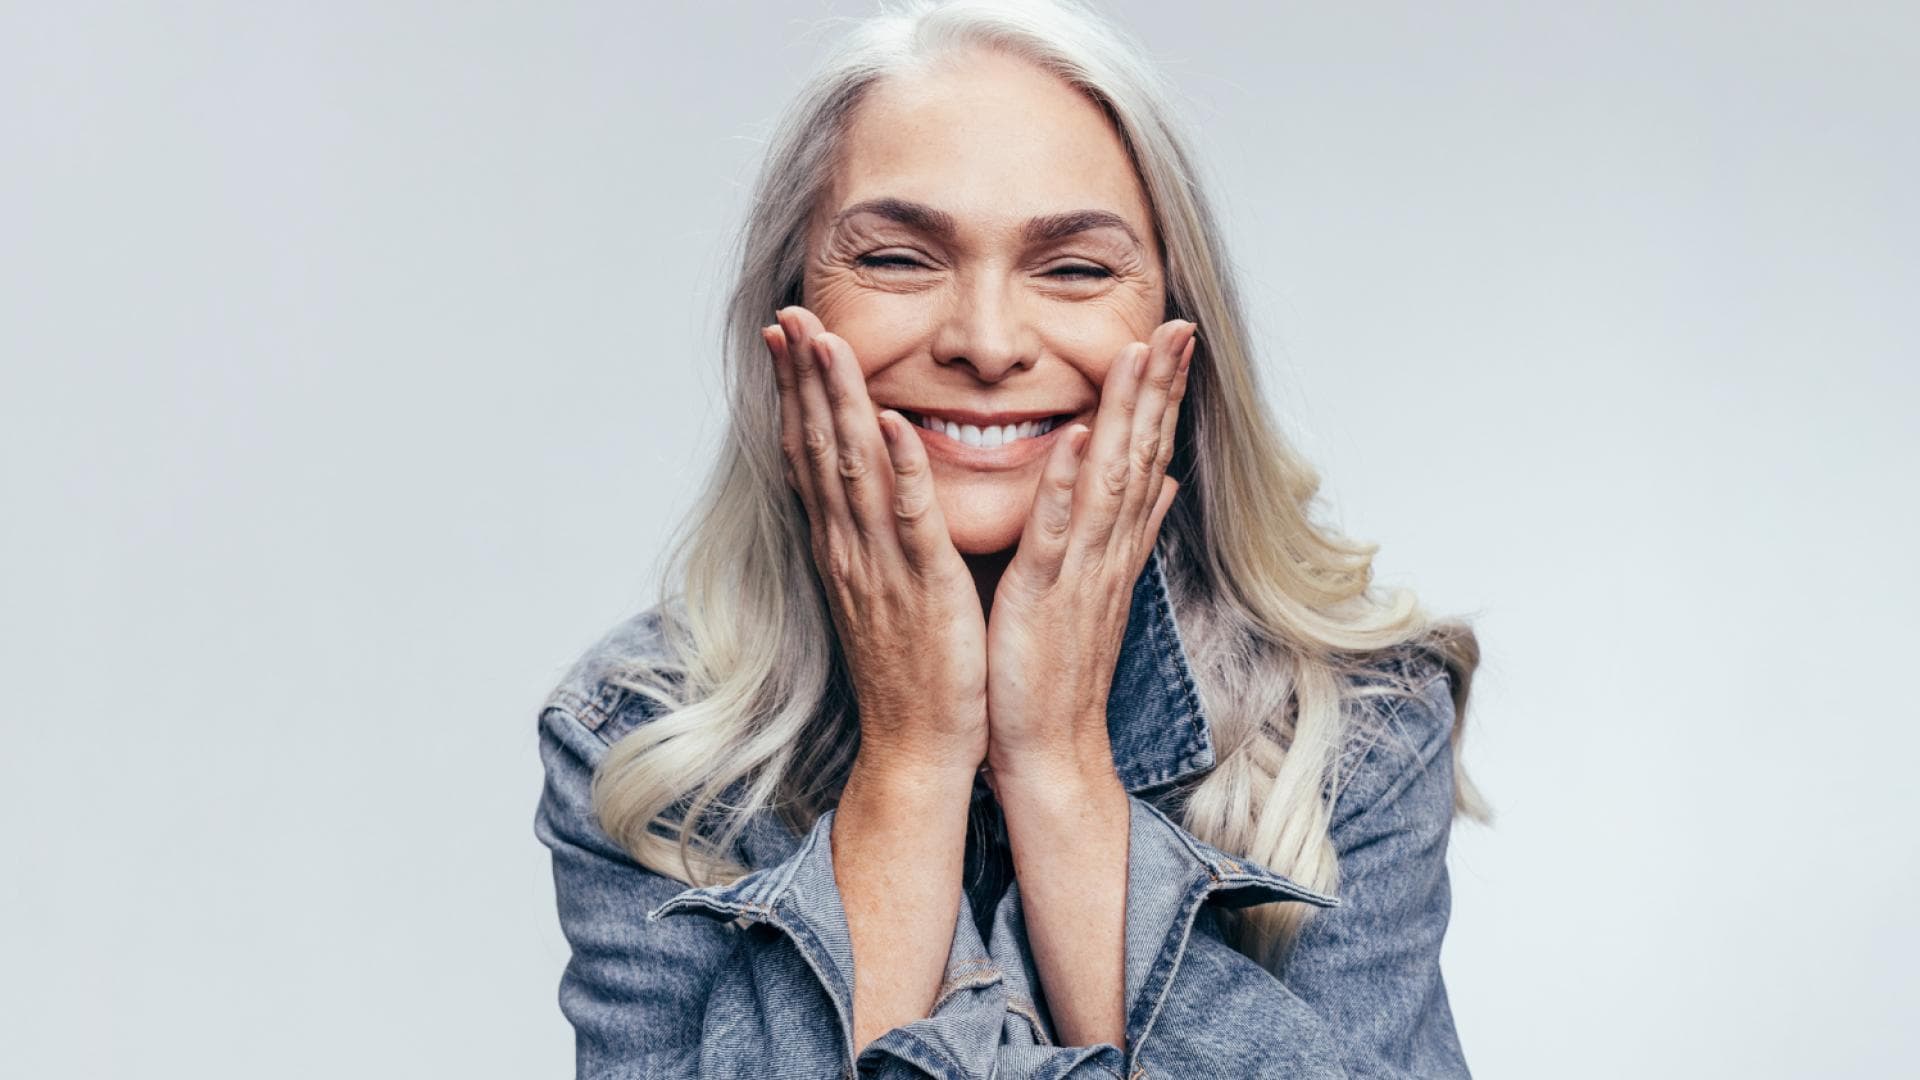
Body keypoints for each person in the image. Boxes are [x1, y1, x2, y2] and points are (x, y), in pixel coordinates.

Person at [534, 1, 1491, 1076]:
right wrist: (912, 759)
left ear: (1180, 334)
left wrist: (1060, 770)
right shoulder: (636, 738)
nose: (987, 345)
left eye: (1076, 269)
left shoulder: (1354, 730)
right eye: (898, 259)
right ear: (789, 313)